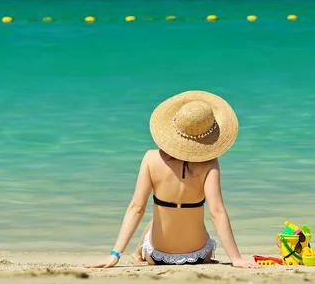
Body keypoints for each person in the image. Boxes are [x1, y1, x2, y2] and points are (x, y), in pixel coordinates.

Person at [85, 91, 259, 269]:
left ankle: (137, 253)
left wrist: (114, 255)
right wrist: (236, 259)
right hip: (199, 254)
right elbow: (217, 212)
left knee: (156, 218)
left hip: (156, 255)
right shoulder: (209, 164)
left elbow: (137, 208)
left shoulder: (151, 159)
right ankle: (139, 252)